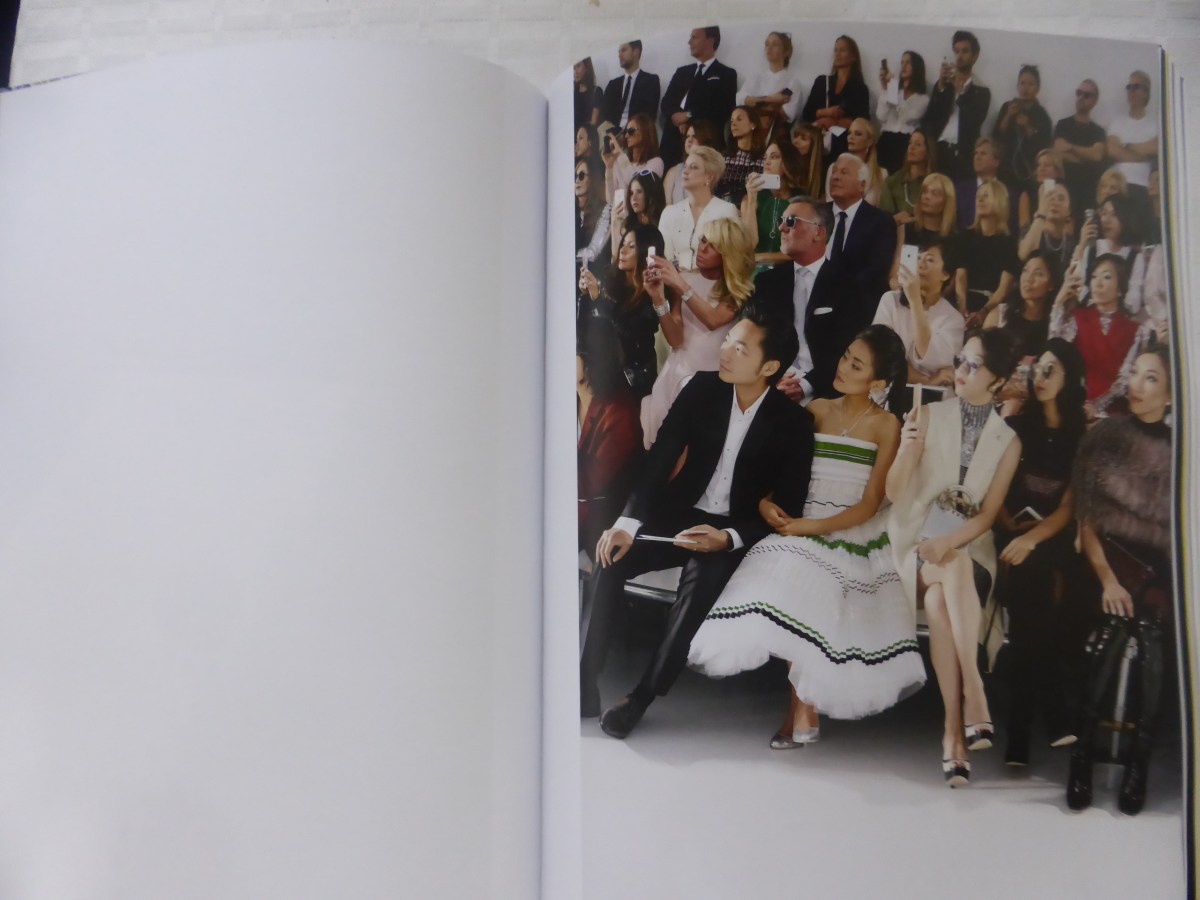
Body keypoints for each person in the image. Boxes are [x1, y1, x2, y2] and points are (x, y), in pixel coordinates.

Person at [580, 304, 815, 737]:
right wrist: (627, 523)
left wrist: (728, 538)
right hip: (679, 513)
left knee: (699, 583)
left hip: (732, 529)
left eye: (739, 348)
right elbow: (658, 461)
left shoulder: (794, 424)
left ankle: (641, 697)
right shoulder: (702, 389)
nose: (725, 351)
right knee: (609, 556)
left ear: (769, 367)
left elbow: (788, 508)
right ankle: (584, 682)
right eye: (728, 341)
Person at [688, 325, 926, 742]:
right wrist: (765, 503)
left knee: (814, 579)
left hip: (849, 530)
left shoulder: (886, 425)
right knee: (782, 576)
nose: (843, 366)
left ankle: (800, 709)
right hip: (800, 522)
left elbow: (870, 504)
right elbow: (780, 471)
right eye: (845, 355)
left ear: (878, 382)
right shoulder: (816, 410)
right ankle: (802, 707)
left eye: (857, 365)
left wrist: (810, 528)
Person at [885, 329, 1023, 786]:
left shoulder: (1009, 442)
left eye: (973, 365)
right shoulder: (926, 414)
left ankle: (952, 732)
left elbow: (987, 516)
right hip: (914, 544)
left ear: (998, 380)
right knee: (950, 569)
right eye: (961, 359)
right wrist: (906, 449)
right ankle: (974, 691)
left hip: (967, 552)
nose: (960, 370)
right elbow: (894, 492)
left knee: (944, 595)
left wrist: (950, 543)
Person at [1067, 344, 1172, 815]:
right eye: (1136, 373)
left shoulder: (1180, 449)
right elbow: (1087, 522)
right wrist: (1108, 579)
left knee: (1153, 642)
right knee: (1106, 635)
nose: (1137, 384)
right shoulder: (1106, 436)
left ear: (1170, 395)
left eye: (1152, 378)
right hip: (1104, 562)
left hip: (1154, 571)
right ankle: (1081, 757)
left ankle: (1138, 766)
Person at [993, 339, 1088, 765]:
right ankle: (1051, 711)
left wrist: (1032, 538)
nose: (1040, 377)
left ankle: (1020, 728)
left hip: (1050, 534)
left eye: (1051, 370)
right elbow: (993, 487)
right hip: (1009, 526)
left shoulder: (1080, 435)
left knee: (1036, 587)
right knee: (1031, 585)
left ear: (1070, 378)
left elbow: (1069, 507)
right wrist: (1010, 525)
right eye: (1037, 369)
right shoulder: (1016, 424)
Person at [641, 217, 755, 447]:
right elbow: (676, 339)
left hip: (710, 381)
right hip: (675, 372)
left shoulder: (736, 290)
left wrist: (680, 284)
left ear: (728, 253)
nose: (702, 248)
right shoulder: (684, 280)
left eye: (713, 245)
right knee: (661, 446)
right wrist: (659, 300)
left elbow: (713, 320)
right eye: (703, 240)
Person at [753, 197, 869, 402]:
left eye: (791, 221)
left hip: (825, 392)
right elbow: (757, 340)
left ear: (818, 232)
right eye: (781, 220)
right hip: (771, 383)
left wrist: (806, 386)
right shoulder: (767, 282)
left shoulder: (848, 288)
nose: (781, 228)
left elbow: (846, 350)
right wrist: (774, 378)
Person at [1049, 252, 1149, 418]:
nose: (1098, 283)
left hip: (1113, 412)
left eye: (1107, 277)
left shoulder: (1135, 330)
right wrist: (1058, 302)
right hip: (1074, 404)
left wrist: (1096, 406)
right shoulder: (1078, 318)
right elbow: (1053, 352)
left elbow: (1125, 380)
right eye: (1094, 277)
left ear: (1120, 288)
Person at [577, 330, 643, 556]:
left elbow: (595, 484)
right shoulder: (567, 399)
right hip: (573, 511)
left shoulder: (620, 410)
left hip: (603, 519)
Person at [578, 224, 663, 399]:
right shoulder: (609, 280)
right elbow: (589, 326)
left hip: (635, 382)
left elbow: (629, 334)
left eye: (631, 246)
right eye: (623, 244)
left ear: (646, 253)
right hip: (604, 372)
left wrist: (598, 299)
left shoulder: (653, 291)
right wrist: (586, 294)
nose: (622, 250)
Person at [873, 235, 965, 389]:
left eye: (929, 260)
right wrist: (925, 381)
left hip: (932, 398)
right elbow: (881, 354)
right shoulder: (890, 300)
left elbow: (931, 358)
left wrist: (915, 301)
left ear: (945, 274)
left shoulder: (953, 319)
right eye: (917, 258)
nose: (920, 264)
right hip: (887, 389)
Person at [987, 253, 1062, 415]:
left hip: (1036, 403)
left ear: (1051, 284)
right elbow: (982, 362)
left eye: (1038, 274)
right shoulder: (1000, 315)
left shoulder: (1055, 325)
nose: (1028, 279)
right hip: (997, 397)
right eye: (1025, 271)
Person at [660, 26, 738, 168]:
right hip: (672, 142)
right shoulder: (682, 72)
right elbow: (666, 103)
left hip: (706, 142)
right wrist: (677, 117)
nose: (689, 42)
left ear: (710, 40)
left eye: (694, 37)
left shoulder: (726, 74)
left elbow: (723, 108)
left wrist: (688, 116)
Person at [827, 152, 898, 309]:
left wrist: (837, 295)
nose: (835, 177)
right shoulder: (816, 214)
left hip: (855, 305)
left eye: (844, 172)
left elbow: (876, 271)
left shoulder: (880, 222)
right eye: (834, 171)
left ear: (862, 185)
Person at [923, 30, 991, 181]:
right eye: (956, 51)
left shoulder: (982, 91)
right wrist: (941, 86)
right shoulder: (945, 85)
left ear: (975, 56)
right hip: (939, 151)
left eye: (965, 51)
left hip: (964, 156)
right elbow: (930, 118)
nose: (959, 56)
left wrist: (960, 92)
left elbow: (974, 120)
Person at [658, 146, 739, 270]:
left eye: (694, 167)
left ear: (709, 177)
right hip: (674, 278)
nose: (685, 171)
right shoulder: (669, 213)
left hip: (713, 279)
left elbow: (731, 258)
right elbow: (664, 257)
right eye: (685, 166)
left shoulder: (726, 211)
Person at [955, 179, 1019, 327]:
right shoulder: (966, 236)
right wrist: (962, 308)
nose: (980, 200)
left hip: (993, 305)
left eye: (986, 196)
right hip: (965, 301)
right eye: (978, 196)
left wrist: (984, 312)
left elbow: (1004, 288)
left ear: (1000, 201)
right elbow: (960, 275)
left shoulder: (1009, 242)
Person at [800, 35, 869, 162]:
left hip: (843, 145)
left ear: (853, 56)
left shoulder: (860, 88)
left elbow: (863, 122)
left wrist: (833, 122)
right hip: (817, 144)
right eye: (836, 50)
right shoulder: (822, 82)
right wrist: (825, 112)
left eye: (842, 50)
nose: (837, 54)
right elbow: (806, 114)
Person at [740, 139, 807, 271]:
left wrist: (762, 257)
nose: (767, 162)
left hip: (786, 272)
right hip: (753, 271)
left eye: (774, 157)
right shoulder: (751, 198)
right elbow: (749, 244)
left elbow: (799, 252)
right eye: (765, 158)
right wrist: (752, 198)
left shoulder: (801, 204)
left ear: (788, 162)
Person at [887, 171, 956, 291]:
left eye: (934, 193)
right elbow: (895, 274)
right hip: (903, 292)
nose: (926, 197)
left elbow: (951, 283)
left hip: (936, 298)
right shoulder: (906, 229)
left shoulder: (953, 239)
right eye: (924, 191)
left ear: (946, 201)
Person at [992, 64, 1053, 196]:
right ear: (1017, 86)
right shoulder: (1007, 107)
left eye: (1030, 84)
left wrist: (1027, 126)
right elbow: (995, 138)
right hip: (1005, 171)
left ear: (1038, 88)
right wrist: (1008, 116)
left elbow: (1045, 147)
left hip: (1029, 175)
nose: (1025, 88)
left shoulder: (1041, 115)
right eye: (1022, 83)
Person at [1054, 79, 1108, 221]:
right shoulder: (1063, 125)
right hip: (1065, 189)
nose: (1081, 97)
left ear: (1095, 100)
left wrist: (1071, 147)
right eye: (1079, 93)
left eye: (1086, 95)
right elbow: (1059, 153)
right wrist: (1086, 156)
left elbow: (1097, 155)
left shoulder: (1098, 131)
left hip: (1089, 193)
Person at [737, 31, 805, 142]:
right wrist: (773, 99)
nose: (769, 48)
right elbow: (741, 101)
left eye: (775, 44)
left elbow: (787, 114)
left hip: (776, 135)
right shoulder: (755, 77)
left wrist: (754, 103)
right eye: (767, 44)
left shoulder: (792, 82)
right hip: (751, 131)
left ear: (786, 51)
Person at [876, 51, 930, 173]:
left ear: (916, 67)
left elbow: (906, 116)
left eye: (908, 62)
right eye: (902, 62)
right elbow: (881, 116)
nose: (903, 66)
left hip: (905, 142)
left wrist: (891, 87)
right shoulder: (892, 90)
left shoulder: (923, 99)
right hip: (886, 139)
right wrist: (885, 88)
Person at [1106, 70, 1158, 196]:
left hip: (1145, 188)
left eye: (1136, 87)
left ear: (1146, 92)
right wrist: (1145, 156)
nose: (1131, 91)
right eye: (1129, 87)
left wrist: (1126, 146)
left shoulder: (1156, 124)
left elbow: (1157, 147)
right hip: (1119, 187)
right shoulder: (1117, 123)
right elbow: (1113, 151)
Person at [602, 112, 664, 203]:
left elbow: (635, 183)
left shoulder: (656, 162)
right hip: (618, 211)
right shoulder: (620, 161)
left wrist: (620, 154)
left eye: (631, 131)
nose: (626, 136)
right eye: (625, 132)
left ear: (645, 131)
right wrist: (609, 168)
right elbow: (610, 198)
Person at [599, 41, 661, 130]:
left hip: (637, 132)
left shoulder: (651, 81)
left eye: (623, 50)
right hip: (613, 133)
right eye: (619, 52)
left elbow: (649, 114)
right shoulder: (613, 84)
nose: (619, 55)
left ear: (636, 52)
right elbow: (604, 114)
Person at [825, 118, 886, 206]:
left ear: (870, 141)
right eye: (849, 133)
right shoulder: (834, 168)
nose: (851, 137)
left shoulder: (881, 174)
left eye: (858, 134)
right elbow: (830, 202)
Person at [1017, 180, 1076, 269]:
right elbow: (1023, 254)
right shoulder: (1030, 232)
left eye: (1061, 199)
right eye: (1050, 198)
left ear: (1069, 210)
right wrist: (1041, 213)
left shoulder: (1071, 243)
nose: (1055, 202)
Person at [880, 129, 936, 223]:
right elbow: (884, 219)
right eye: (910, 143)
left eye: (918, 144)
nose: (912, 147)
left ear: (928, 151)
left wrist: (913, 220)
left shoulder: (936, 183)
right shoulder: (892, 182)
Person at [608, 170, 666, 259]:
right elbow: (617, 258)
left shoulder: (664, 221)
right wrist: (615, 225)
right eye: (631, 193)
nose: (633, 198)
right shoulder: (626, 225)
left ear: (651, 193)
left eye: (639, 191)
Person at [715, 105, 764, 205]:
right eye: (732, 121)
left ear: (753, 124)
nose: (733, 124)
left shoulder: (764, 159)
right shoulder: (722, 158)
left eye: (739, 119)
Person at [663, 120, 719, 205]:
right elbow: (667, 205)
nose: (689, 140)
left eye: (695, 136)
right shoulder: (673, 172)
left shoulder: (714, 170)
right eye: (687, 136)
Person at [954, 137, 1002, 234]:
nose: (977, 157)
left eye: (983, 154)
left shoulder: (1008, 194)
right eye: (976, 153)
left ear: (996, 162)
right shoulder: (959, 191)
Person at [575, 156, 611, 279]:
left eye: (581, 176)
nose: (576, 181)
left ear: (592, 179)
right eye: (574, 176)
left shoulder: (605, 210)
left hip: (593, 275)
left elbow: (592, 253)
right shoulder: (571, 211)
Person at [1015, 149, 1066, 232]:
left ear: (1057, 171)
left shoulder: (1064, 195)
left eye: (1047, 165)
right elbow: (1024, 228)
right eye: (1039, 165)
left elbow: (1068, 227)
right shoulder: (1026, 195)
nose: (1041, 169)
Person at [788, 119, 825, 197]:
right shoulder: (787, 166)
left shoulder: (822, 174)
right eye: (795, 136)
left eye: (803, 138)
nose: (795, 141)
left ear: (813, 145)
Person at [573, 57, 603, 129]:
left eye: (578, 66)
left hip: (587, 134)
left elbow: (593, 123)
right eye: (574, 68)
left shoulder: (597, 91)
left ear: (587, 68)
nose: (575, 72)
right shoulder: (572, 95)